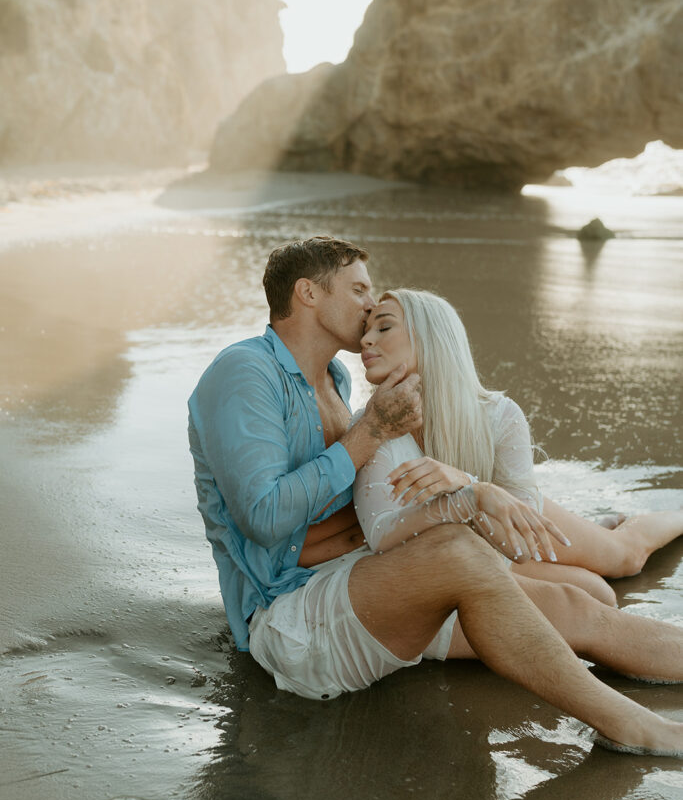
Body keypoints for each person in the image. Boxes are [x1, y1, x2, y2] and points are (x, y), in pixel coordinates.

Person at [188, 235, 683, 757]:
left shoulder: (333, 380)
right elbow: (265, 518)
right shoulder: (245, 371)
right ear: (308, 293)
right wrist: (376, 434)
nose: (367, 306)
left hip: (368, 581)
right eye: (358, 290)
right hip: (290, 618)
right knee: (457, 550)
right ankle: (633, 726)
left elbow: (351, 507)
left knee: (577, 603)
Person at [355, 288, 683, 603]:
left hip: (515, 519)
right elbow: (384, 535)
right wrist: (470, 500)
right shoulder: (370, 426)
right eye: (367, 330)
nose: (366, 340)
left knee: (626, 558)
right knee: (596, 592)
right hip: (476, 544)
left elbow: (522, 547)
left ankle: (674, 517)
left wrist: (467, 485)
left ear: (431, 338)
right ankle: (591, 533)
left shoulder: (499, 416)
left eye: (384, 327)